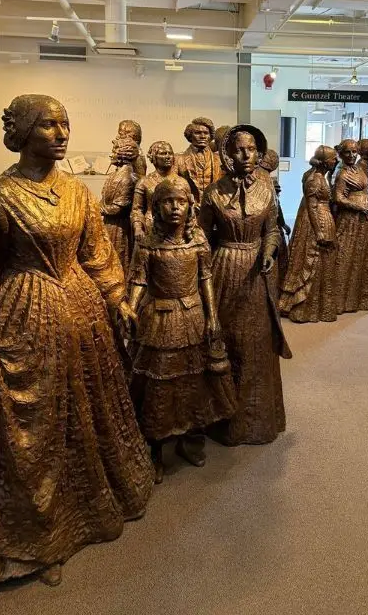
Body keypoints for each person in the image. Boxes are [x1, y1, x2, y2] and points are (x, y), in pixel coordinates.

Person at [0, 95, 154, 588]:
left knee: (81, 411)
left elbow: (97, 252)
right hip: (25, 312)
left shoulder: (77, 192)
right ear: (22, 133)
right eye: (48, 125)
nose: (61, 134)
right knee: (30, 425)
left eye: (65, 124)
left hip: (80, 311)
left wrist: (117, 297)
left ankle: (78, 514)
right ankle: (33, 539)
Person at [127, 177, 236, 484]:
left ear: (191, 206)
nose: (174, 208)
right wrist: (130, 308)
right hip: (159, 318)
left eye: (181, 202)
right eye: (167, 201)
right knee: (159, 386)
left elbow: (206, 279)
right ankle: (156, 449)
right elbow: (138, 280)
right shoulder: (147, 242)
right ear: (155, 206)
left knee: (194, 381)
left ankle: (191, 439)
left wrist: (213, 316)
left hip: (192, 317)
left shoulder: (199, 241)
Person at [199, 125, 291, 446]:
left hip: (257, 271)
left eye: (252, 149)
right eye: (239, 150)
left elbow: (272, 230)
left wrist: (268, 251)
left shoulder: (266, 189)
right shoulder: (212, 193)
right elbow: (202, 239)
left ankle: (257, 419)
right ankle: (225, 421)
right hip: (225, 266)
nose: (246, 155)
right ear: (227, 153)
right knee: (229, 338)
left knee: (257, 341)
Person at [280, 146, 338, 323]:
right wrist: (319, 230)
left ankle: (318, 305)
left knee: (321, 262)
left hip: (320, 217)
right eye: (333, 158)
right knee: (311, 260)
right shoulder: (314, 179)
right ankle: (302, 306)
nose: (336, 161)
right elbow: (312, 207)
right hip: (315, 221)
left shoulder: (320, 175)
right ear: (325, 161)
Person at [333, 139, 368, 314]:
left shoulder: (358, 169)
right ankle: (343, 298)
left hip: (366, 218)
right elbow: (338, 198)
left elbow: (366, 191)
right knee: (348, 254)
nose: (352, 155)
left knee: (365, 255)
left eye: (354, 152)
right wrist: (359, 207)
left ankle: (363, 295)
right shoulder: (343, 174)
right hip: (352, 219)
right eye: (347, 152)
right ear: (341, 154)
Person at [100, 135, 139, 276]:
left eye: (115, 150)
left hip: (120, 227)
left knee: (120, 258)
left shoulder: (128, 178)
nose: (111, 154)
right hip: (109, 224)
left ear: (124, 154)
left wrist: (98, 209)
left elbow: (119, 207)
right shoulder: (114, 175)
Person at [258, 148, 291, 288]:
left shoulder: (267, 181)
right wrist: (282, 224)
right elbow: (276, 208)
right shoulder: (264, 181)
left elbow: (277, 207)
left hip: (269, 227)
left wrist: (283, 224)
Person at [131, 140, 178, 239]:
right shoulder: (144, 182)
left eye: (170, 153)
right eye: (163, 154)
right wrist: (138, 227)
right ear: (154, 158)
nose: (168, 156)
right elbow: (137, 209)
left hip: (175, 229)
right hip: (151, 227)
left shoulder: (182, 182)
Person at [176, 117, 223, 207]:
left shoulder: (219, 160)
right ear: (190, 135)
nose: (202, 136)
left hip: (214, 209)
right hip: (189, 209)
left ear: (210, 136)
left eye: (206, 133)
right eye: (197, 133)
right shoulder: (178, 159)